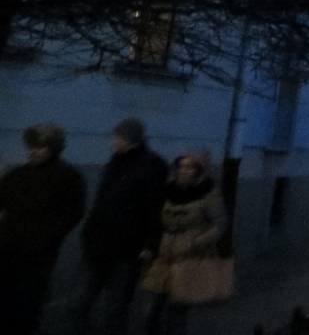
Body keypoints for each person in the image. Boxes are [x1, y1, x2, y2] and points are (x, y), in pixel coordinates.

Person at [78, 118, 168, 335]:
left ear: (129, 139)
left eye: (116, 137)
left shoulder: (151, 166)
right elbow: (102, 202)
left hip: (127, 250)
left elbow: (155, 209)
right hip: (98, 245)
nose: (112, 142)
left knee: (116, 309)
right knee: (79, 304)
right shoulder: (115, 162)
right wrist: (90, 232)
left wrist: (150, 244)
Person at [0, 123, 88, 335]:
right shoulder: (19, 174)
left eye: (40, 147)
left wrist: (47, 237)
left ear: (53, 148)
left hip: (38, 254)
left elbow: (73, 213)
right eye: (31, 146)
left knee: (29, 301)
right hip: (8, 247)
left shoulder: (68, 176)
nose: (33, 151)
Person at [142, 151, 229, 335]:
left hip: (190, 258)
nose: (184, 170)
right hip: (165, 256)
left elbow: (220, 224)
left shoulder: (208, 193)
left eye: (189, 167)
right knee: (152, 308)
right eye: (181, 166)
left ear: (198, 170)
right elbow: (158, 220)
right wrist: (151, 246)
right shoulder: (169, 190)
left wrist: (197, 242)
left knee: (177, 311)